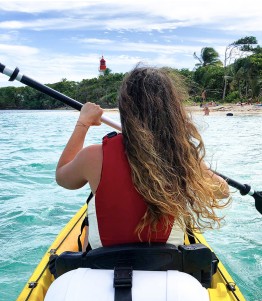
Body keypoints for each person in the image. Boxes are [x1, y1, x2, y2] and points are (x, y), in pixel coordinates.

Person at [56, 66, 230, 251]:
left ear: (125, 108)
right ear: (172, 112)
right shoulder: (183, 157)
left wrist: (83, 123)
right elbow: (223, 191)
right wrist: (192, 163)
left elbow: (62, 177)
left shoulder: (92, 156)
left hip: (104, 263)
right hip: (165, 263)